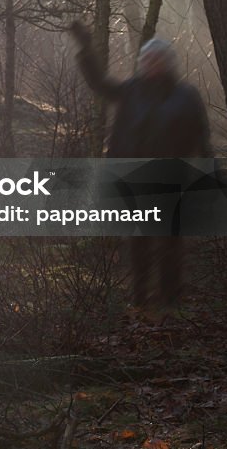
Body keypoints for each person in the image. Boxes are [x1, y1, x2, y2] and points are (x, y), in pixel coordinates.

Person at [69, 20, 212, 309]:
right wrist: (86, 48)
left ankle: (171, 300)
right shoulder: (131, 90)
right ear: (141, 63)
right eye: (147, 59)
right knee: (138, 242)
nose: (151, 64)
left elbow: (201, 137)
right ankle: (139, 298)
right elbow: (100, 83)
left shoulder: (186, 96)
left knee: (170, 243)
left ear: (169, 63)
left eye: (157, 59)